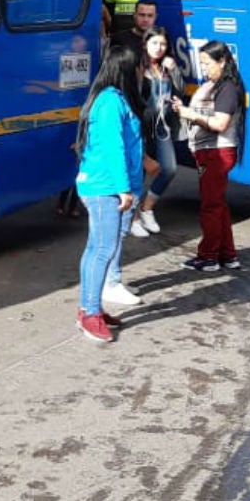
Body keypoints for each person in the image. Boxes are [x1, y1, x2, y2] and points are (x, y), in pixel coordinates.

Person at [73, 45, 148, 341]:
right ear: (128, 69)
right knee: (102, 250)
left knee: (98, 248)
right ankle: (89, 313)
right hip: (105, 187)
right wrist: (123, 189)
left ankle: (91, 307)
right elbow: (113, 148)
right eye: (140, 65)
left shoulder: (113, 99)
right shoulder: (109, 102)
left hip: (106, 185)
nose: (143, 70)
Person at [178, 41, 246, 271]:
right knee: (218, 204)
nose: (204, 68)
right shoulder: (218, 85)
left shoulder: (226, 88)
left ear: (222, 61)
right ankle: (227, 254)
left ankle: (208, 257)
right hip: (211, 151)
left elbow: (220, 123)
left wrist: (191, 114)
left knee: (210, 206)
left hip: (216, 153)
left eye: (207, 63)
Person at [131, 27, 182, 237]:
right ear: (145, 44)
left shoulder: (167, 67)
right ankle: (132, 218)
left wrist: (175, 70)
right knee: (138, 172)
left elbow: (178, 90)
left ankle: (147, 208)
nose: (159, 48)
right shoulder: (136, 67)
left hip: (162, 126)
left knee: (169, 168)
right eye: (154, 43)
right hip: (141, 126)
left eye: (162, 44)